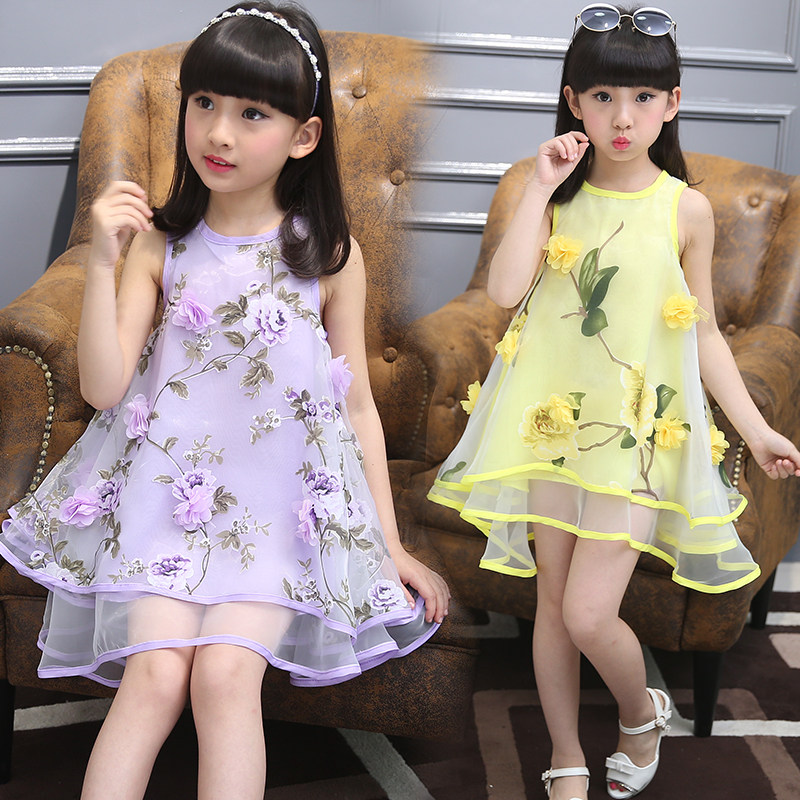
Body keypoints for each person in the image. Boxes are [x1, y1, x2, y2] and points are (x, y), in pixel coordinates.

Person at [0, 3, 450, 798]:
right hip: (164, 506)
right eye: (203, 103)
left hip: (277, 518)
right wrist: (102, 260)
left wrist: (388, 543)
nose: (218, 133)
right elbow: (104, 389)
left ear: (303, 136)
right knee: (154, 680)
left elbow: (355, 410)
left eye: (252, 114)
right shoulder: (160, 246)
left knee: (224, 679)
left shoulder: (329, 257)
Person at [428, 5, 800, 800]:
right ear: (573, 102)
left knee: (590, 614)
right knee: (553, 606)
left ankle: (641, 712)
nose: (621, 118)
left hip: (637, 437)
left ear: (672, 104)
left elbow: (702, 333)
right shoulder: (554, 196)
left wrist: (757, 427)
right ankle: (565, 757)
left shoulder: (684, 209)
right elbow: (503, 292)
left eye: (642, 98)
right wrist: (539, 186)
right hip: (551, 429)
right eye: (602, 97)